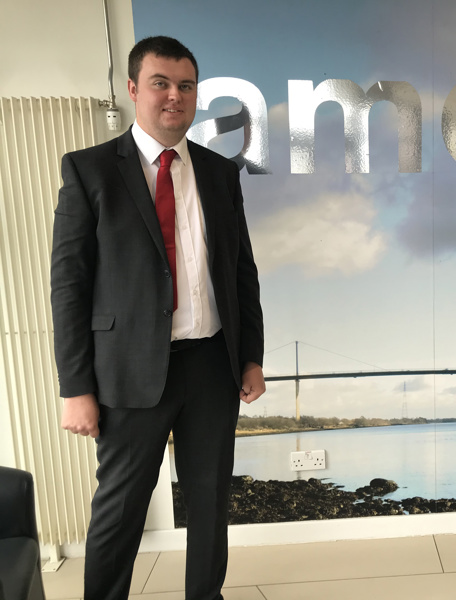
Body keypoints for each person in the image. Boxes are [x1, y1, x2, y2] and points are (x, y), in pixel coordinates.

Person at [51, 36, 265, 600]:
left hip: (211, 366)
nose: (175, 96)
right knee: (119, 510)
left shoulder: (220, 175)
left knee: (210, 500)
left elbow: (242, 272)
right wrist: (76, 388)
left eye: (186, 85)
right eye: (160, 83)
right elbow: (68, 287)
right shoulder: (90, 171)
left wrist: (251, 357)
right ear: (132, 90)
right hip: (127, 372)